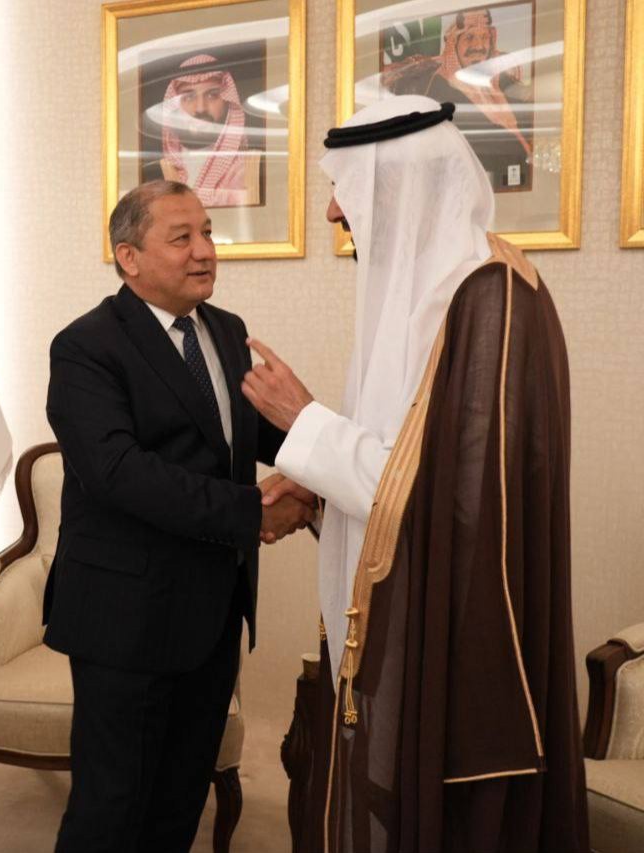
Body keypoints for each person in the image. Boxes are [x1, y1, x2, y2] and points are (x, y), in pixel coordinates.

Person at [241, 96, 588, 852]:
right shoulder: (436, 289)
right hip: (413, 602)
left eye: (346, 189)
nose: (333, 213)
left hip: (459, 628)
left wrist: (304, 421)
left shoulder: (488, 296)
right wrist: (319, 498)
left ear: (397, 187)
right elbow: (410, 460)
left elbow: (455, 501)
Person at [43, 179, 315, 852]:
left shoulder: (226, 331)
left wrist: (324, 464)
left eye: (209, 233)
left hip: (213, 614)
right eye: (182, 237)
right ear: (129, 257)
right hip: (126, 621)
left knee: (178, 804)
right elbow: (119, 473)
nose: (205, 251)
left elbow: (254, 435)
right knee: (110, 813)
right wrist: (254, 511)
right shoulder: (85, 347)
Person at [383, 10, 532, 190]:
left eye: (484, 37)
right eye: (469, 37)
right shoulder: (436, 91)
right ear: (454, 44)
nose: (479, 46)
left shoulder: (503, 83)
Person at [158, 54, 260, 207]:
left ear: (227, 102)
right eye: (188, 97)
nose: (200, 108)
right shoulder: (162, 170)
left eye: (212, 95)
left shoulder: (246, 167)